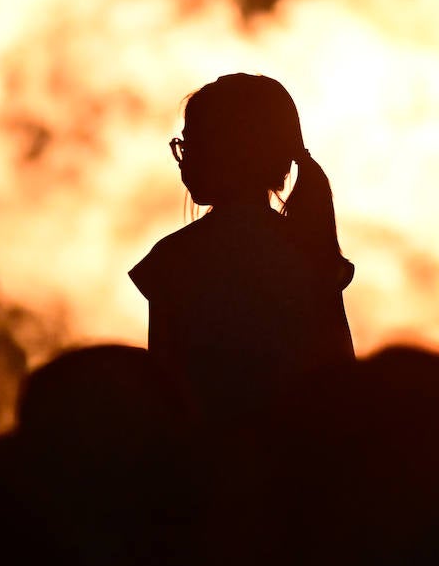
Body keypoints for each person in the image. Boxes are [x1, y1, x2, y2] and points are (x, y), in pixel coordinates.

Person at [130, 73, 355, 425]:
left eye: (191, 147)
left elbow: (166, 392)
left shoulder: (176, 259)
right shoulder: (310, 252)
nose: (184, 160)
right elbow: (341, 380)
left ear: (224, 153)